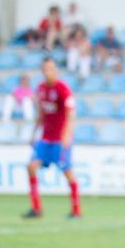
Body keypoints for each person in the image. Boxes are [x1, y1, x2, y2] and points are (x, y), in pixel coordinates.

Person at [22, 59, 81, 220]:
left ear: (55, 70)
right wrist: (34, 134)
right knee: (31, 166)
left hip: (60, 140)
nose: (48, 72)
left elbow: (70, 115)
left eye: (51, 69)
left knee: (67, 172)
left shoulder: (63, 89)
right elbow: (41, 114)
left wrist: (67, 135)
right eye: (45, 69)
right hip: (45, 139)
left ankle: (76, 210)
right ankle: (36, 208)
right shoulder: (40, 89)